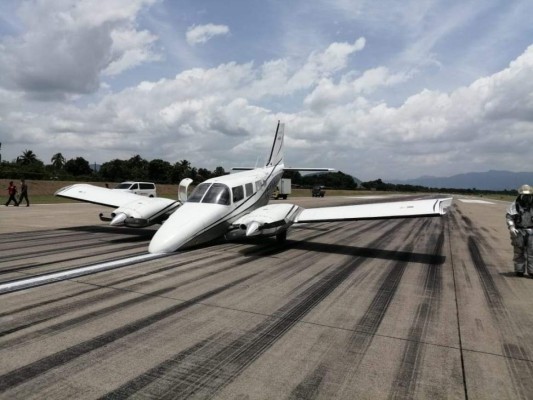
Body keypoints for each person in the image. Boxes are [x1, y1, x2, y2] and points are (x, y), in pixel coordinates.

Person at [506, 184, 533, 277]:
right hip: (519, 231)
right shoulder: (514, 205)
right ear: (520, 195)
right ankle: (519, 270)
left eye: (528, 195)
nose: (526, 197)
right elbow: (509, 217)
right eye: (524, 195)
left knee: (532, 251)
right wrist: (511, 227)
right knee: (518, 251)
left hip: (531, 231)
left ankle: (532, 271)